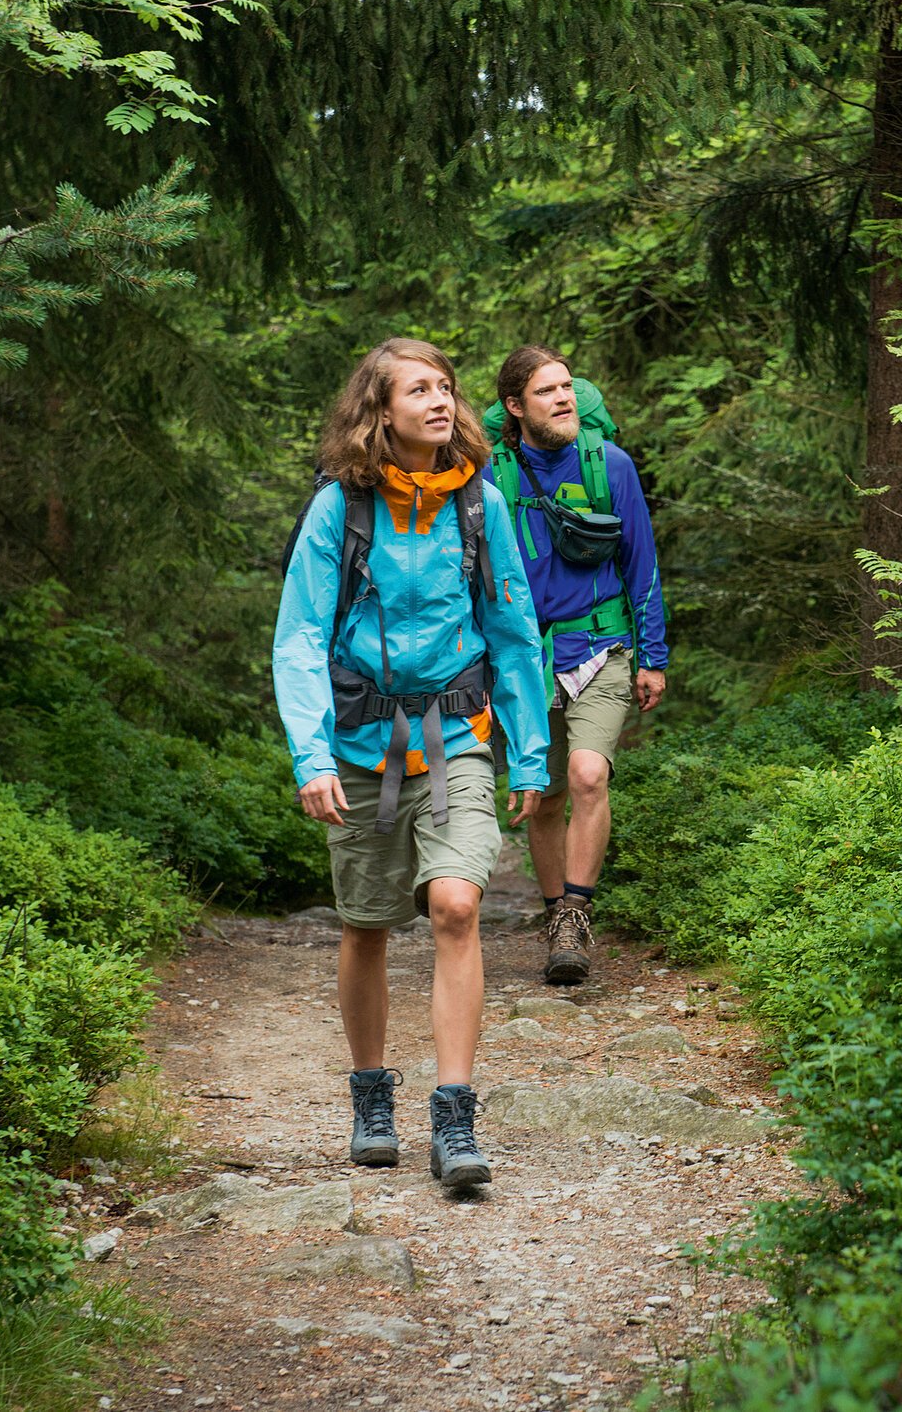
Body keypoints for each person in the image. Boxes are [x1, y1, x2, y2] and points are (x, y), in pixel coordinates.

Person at [272, 337, 550, 1186]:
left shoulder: (479, 504)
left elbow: (512, 630)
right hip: (359, 747)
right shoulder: (340, 510)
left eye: (445, 387)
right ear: (379, 411)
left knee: (457, 906)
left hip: (456, 740)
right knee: (365, 925)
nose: (439, 401)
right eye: (417, 390)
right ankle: (370, 1099)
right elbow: (300, 637)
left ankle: (456, 1120)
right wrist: (310, 754)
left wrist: (529, 753)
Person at [488, 347, 668, 985]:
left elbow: (640, 562)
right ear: (516, 406)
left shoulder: (610, 464)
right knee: (545, 796)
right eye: (547, 391)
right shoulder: (492, 476)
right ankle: (551, 910)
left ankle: (575, 914)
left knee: (589, 776)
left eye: (568, 387)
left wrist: (654, 655)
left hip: (602, 647)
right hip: (526, 660)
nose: (564, 398)